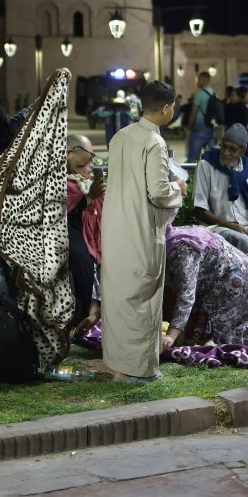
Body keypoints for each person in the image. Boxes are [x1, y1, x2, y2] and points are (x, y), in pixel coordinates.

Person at [0, 71, 78, 370]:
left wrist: (57, 82)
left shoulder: (11, 145)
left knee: (19, 296)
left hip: (9, 240)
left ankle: (15, 351)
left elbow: (33, 116)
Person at [101, 80, 187, 384]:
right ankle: (137, 370)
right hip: (139, 228)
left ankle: (116, 363)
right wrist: (178, 188)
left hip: (114, 226)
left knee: (119, 295)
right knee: (142, 297)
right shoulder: (155, 142)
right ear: (166, 109)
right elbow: (159, 192)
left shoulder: (120, 137)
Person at [163, 225, 248, 347]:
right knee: (217, 329)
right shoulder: (175, 236)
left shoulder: (182, 252)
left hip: (236, 280)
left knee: (213, 335)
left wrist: (171, 336)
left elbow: (186, 295)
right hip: (242, 275)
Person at [191, 123, 248, 253]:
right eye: (223, 146)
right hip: (217, 228)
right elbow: (199, 210)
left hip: (246, 227)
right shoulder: (206, 165)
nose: (225, 152)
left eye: (232, 149)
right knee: (243, 240)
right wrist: (231, 226)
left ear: (242, 151)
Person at [66, 132, 105, 335]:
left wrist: (92, 196)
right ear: (69, 152)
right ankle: (84, 315)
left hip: (85, 232)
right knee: (83, 258)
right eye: (83, 163)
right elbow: (56, 209)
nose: (89, 165)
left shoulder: (83, 181)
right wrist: (89, 198)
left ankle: (95, 311)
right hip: (62, 233)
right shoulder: (54, 177)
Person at [185, 70, 217, 161]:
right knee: (209, 158)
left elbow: (193, 113)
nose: (197, 82)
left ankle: (193, 174)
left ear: (203, 80)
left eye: (198, 80)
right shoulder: (213, 94)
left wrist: (190, 127)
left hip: (199, 130)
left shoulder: (199, 94)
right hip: (210, 130)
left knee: (193, 158)